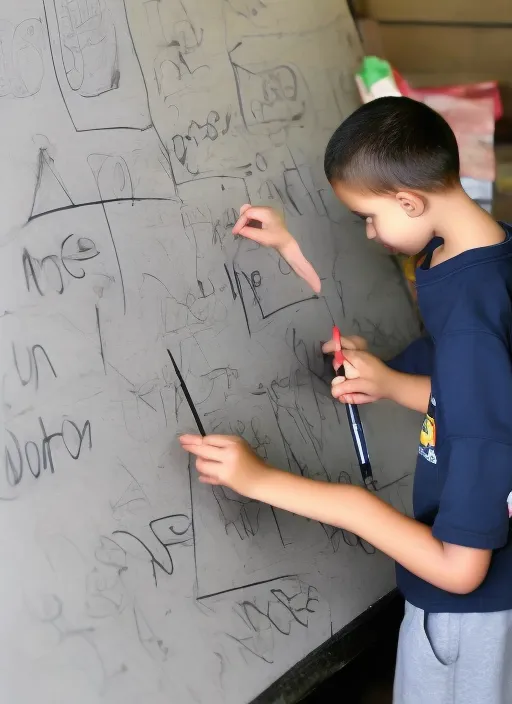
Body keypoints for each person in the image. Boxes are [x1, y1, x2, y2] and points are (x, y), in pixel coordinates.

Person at [180, 96, 512, 704]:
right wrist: (390, 382)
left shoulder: (469, 332)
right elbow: (486, 396)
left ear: (410, 201)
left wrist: (261, 482)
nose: (367, 232)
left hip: (472, 625)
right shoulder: (482, 258)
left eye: (367, 216)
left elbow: (459, 570)